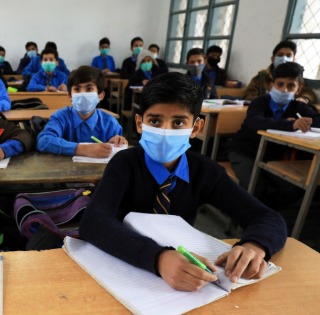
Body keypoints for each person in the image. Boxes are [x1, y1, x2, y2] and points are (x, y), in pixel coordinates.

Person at [80, 72, 287, 292]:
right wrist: (158, 258)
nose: (165, 131)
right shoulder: (124, 163)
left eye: (178, 122)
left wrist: (254, 245)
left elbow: (269, 218)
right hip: (123, 263)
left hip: (182, 272)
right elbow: (93, 222)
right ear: (140, 123)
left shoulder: (204, 171)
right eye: (155, 121)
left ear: (196, 128)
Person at [229, 62, 319, 201]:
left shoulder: (299, 107)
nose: (284, 90)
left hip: (272, 156)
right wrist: (290, 124)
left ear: (299, 89)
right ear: (272, 85)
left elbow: (316, 120)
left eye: (291, 86)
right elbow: (255, 122)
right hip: (246, 152)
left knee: (292, 189)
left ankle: (268, 215)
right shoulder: (259, 102)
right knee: (255, 187)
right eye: (280, 84)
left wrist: (308, 121)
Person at [37, 66, 126, 157]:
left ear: (100, 95)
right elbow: (44, 141)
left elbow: (118, 154)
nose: (83, 94)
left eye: (89, 89)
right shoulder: (60, 117)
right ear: (69, 96)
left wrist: (119, 143)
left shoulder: (110, 124)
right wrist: (82, 149)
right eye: (77, 89)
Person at [244, 40, 316, 103]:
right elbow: (249, 95)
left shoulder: (296, 76)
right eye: (280, 55)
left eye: (288, 55)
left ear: (294, 59)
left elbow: (309, 94)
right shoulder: (262, 76)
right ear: (273, 59)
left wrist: (304, 99)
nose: (284, 58)